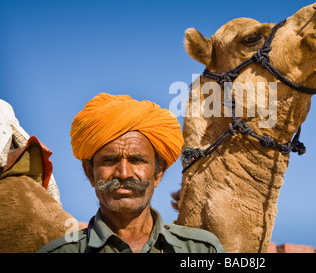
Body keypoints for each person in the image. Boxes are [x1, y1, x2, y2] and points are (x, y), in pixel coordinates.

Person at [38, 93, 225, 253]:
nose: (124, 173)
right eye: (110, 161)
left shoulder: (201, 249)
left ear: (158, 172)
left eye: (137, 160)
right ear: (90, 173)